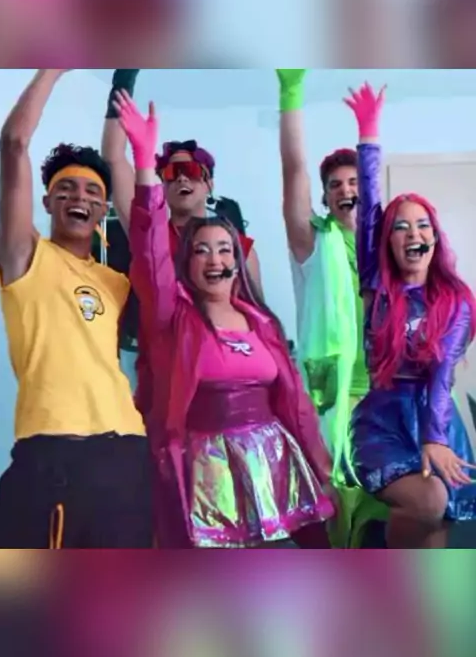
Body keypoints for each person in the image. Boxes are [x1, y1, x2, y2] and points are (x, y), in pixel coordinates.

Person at [115, 90, 335, 548]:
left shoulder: (262, 323)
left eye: (224, 250)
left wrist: (320, 464)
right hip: (206, 470)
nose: (215, 259)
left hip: (273, 460)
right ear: (187, 263)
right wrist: (143, 163)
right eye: (201, 250)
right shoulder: (174, 316)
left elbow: (294, 404)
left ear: (238, 259)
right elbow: (150, 252)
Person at [0, 68, 152, 548]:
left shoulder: (117, 282)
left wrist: (135, 155)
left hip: (126, 456)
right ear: (47, 202)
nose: (79, 198)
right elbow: (14, 145)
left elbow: (149, 232)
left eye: (92, 193)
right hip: (51, 459)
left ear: (103, 213)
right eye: (66, 190)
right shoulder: (25, 257)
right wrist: (53, 67)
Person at [346, 81, 476, 548]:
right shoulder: (377, 285)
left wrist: (435, 437)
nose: (412, 233)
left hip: (435, 417)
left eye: (422, 225)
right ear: (388, 241)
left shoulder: (457, 300)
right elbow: (368, 209)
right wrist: (369, 134)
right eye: (400, 227)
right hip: (383, 422)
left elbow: (442, 375)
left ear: (435, 238)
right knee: (428, 502)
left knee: (437, 526)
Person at [103, 69, 263, 422]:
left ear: (209, 183)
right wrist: (123, 80)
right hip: (155, 367)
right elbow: (114, 157)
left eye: (190, 171)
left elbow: (258, 314)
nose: (181, 179)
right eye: (170, 175)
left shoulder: (237, 245)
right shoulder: (149, 233)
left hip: (218, 367)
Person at [276, 68, 385, 547]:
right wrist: (291, 95)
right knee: (334, 517)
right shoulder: (312, 243)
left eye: (353, 181)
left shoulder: (388, 248)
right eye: (334, 184)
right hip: (330, 402)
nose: (344, 190)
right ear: (324, 196)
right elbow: (293, 172)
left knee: (381, 519)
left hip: (384, 396)